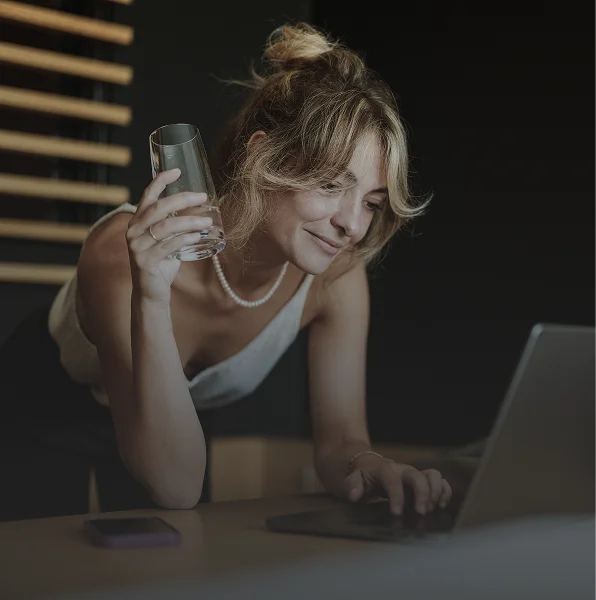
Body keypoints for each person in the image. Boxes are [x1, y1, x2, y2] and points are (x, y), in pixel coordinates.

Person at [0, 23, 452, 521]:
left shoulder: (337, 278)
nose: (352, 224)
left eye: (371, 202)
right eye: (329, 185)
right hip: (40, 408)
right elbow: (176, 487)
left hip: (175, 435)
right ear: (262, 156)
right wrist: (150, 297)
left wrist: (371, 467)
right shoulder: (122, 256)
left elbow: (341, 442)